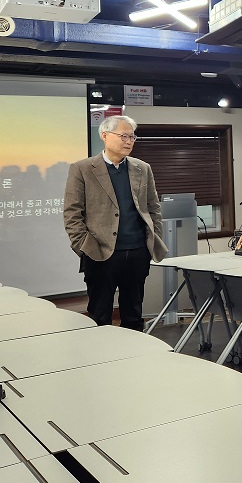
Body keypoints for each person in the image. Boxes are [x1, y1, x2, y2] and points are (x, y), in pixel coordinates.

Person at [63, 115, 168, 330]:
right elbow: (72, 212)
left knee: (133, 313)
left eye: (132, 137)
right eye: (123, 136)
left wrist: (154, 238)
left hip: (138, 252)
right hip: (100, 253)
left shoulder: (142, 168)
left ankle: (134, 350)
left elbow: (153, 207)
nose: (129, 141)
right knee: (100, 315)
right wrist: (84, 246)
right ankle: (101, 351)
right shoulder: (83, 168)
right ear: (105, 136)